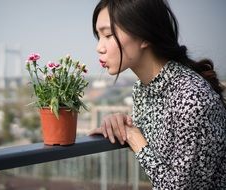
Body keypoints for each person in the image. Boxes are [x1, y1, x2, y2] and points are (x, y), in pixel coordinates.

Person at [88, 0, 226, 189]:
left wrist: (134, 138)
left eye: (109, 35)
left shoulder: (191, 97)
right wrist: (122, 123)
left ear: (144, 37)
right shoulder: (142, 90)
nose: (99, 47)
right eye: (99, 36)